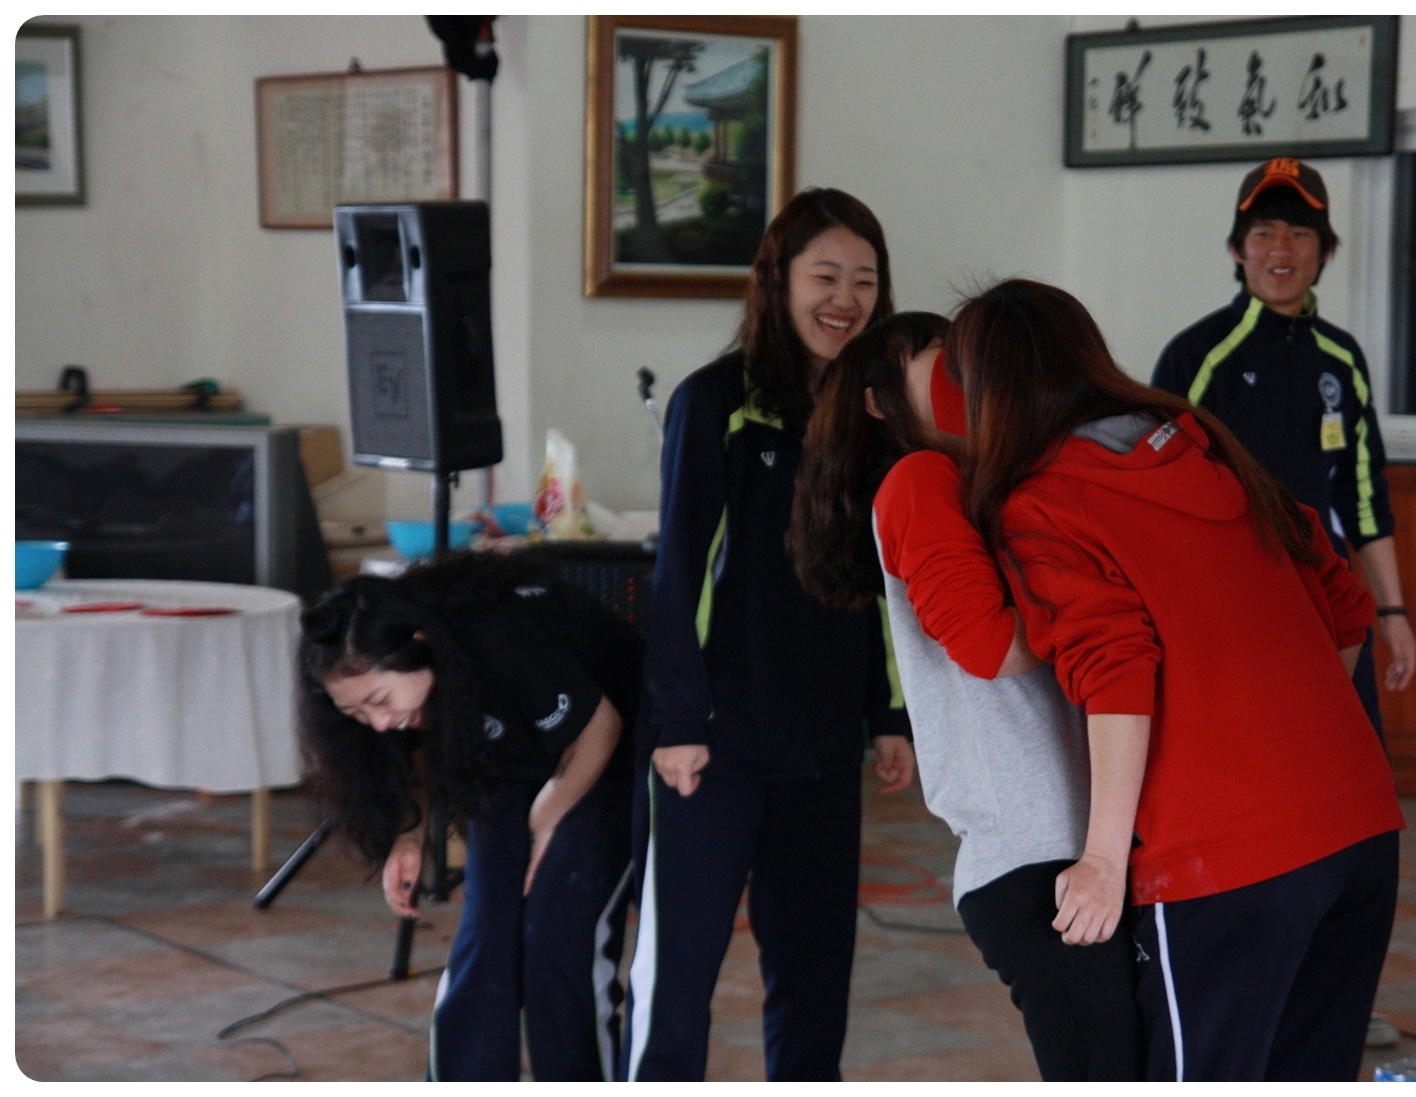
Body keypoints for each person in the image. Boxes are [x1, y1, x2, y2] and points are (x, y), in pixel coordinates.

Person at [950, 278, 1405, 1082]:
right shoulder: (1204, 443)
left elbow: (1116, 668)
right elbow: (1344, 601)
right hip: (1360, 825)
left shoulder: (1042, 500)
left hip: (1226, 864)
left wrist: (1102, 860)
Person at [789, 312, 1142, 1081]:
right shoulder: (920, 477)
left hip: (1067, 845)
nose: (966, 368)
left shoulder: (982, 475)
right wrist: (1109, 609)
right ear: (880, 400)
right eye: (939, 355)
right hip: (1037, 854)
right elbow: (993, 648)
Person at [626, 188, 916, 1082]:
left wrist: (888, 715)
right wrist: (678, 721)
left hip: (822, 752)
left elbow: (880, 582)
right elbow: (681, 573)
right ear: (778, 281)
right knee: (678, 979)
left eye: (864, 280)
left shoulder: (874, 418)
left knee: (815, 976)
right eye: (825, 276)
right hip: (713, 750)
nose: (846, 299)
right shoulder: (716, 402)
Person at [299, 549, 641, 1081]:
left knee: (559, 940)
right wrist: (409, 834)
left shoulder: (504, 637)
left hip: (613, 756)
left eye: (380, 700)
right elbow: (419, 751)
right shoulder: (409, 692)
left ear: (420, 644)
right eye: (355, 712)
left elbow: (600, 729)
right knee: (487, 935)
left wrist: (549, 817)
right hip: (512, 765)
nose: (378, 721)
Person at [1151, 157, 1416, 741]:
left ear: (1324, 252)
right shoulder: (1198, 354)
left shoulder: (1342, 358)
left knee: (1348, 755)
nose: (1282, 248)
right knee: (1253, 759)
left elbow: (1363, 494)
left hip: (1329, 598)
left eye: (1300, 233)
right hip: (1229, 601)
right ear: (1237, 249)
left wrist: (1393, 611)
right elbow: (1157, 492)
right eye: (1264, 232)